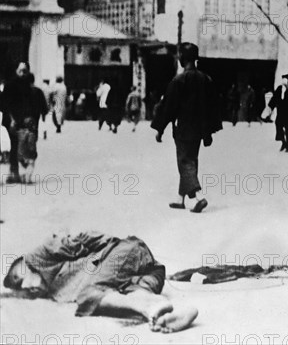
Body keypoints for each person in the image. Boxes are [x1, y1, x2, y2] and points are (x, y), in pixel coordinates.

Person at [3, 231, 198, 333]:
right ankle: (159, 311)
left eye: (21, 278)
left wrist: (95, 249)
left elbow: (85, 239)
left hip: (124, 252)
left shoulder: (42, 254)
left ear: (27, 264)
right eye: (23, 289)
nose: (27, 287)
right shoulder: (56, 287)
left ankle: (153, 305)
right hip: (147, 270)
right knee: (133, 292)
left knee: (89, 295)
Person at [151, 43, 222, 213]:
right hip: (199, 129)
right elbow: (213, 107)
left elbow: (168, 107)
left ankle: (199, 197)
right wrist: (209, 133)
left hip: (183, 128)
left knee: (184, 162)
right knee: (191, 160)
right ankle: (180, 199)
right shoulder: (206, 79)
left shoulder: (178, 81)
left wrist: (160, 129)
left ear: (182, 58)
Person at [0, 63, 48, 184]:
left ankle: (18, 171)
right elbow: (5, 104)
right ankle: (14, 172)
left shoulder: (30, 88)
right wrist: (11, 119)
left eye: (24, 71)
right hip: (12, 121)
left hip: (25, 122)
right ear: (16, 71)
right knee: (14, 146)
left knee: (22, 146)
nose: (22, 73)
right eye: (20, 70)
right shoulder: (10, 85)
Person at [269, 73, 288, 152]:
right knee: (278, 125)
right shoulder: (279, 88)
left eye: (285, 79)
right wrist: (270, 107)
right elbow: (274, 99)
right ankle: (283, 142)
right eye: (283, 79)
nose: (284, 81)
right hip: (281, 111)